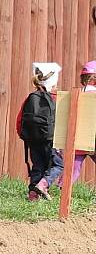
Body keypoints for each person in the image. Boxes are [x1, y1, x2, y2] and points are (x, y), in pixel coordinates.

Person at [36, 61, 96, 196]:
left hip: (76, 140)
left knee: (72, 169)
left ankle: (59, 188)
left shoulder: (77, 94)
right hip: (93, 140)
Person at [16, 62, 60, 201]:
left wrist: (25, 136)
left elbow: (20, 119)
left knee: (38, 166)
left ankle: (33, 195)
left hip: (32, 140)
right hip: (50, 139)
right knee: (59, 164)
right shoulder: (56, 98)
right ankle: (43, 185)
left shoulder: (31, 97)